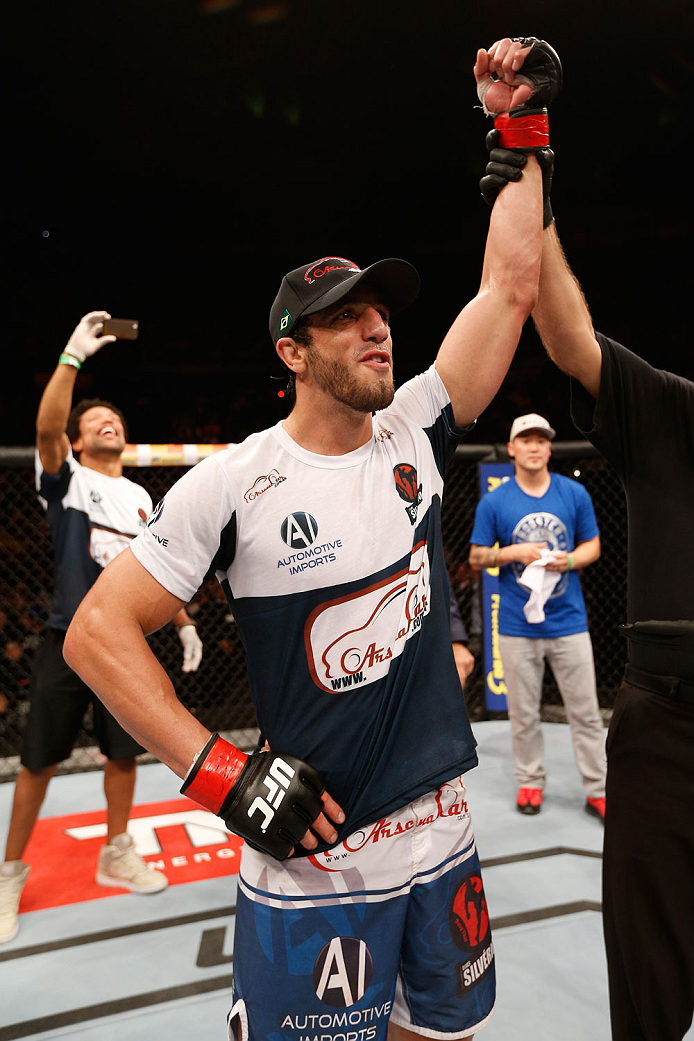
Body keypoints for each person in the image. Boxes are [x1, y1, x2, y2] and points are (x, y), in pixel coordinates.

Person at [63, 39, 559, 1041]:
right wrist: (223, 775)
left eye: (381, 311)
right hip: (315, 860)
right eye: (347, 319)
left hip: (442, 825)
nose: (377, 329)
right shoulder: (235, 483)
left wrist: (522, 128)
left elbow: (509, 287)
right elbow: (95, 634)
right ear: (293, 350)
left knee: (446, 1033)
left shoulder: (415, 426)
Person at [477, 35, 694, 1041]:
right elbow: (562, 332)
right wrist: (525, 144)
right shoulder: (673, 413)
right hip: (666, 721)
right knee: (646, 994)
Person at [0, 312, 204, 946]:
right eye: (94, 423)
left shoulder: (143, 499)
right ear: (80, 442)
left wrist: (185, 620)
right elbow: (44, 428)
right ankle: (8, 874)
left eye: (113, 418)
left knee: (123, 755)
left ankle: (117, 850)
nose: (107, 422)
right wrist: (72, 358)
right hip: (69, 636)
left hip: (128, 645)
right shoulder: (69, 481)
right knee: (39, 762)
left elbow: (155, 569)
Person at [468, 412, 605, 817]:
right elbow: (476, 556)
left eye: (540, 440)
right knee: (523, 713)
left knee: (586, 712)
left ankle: (599, 788)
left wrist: (569, 560)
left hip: (568, 620)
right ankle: (529, 782)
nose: (533, 447)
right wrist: (513, 552)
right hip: (515, 624)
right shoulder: (495, 501)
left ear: (549, 448)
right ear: (512, 448)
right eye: (525, 440)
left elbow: (593, 545)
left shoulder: (573, 493)